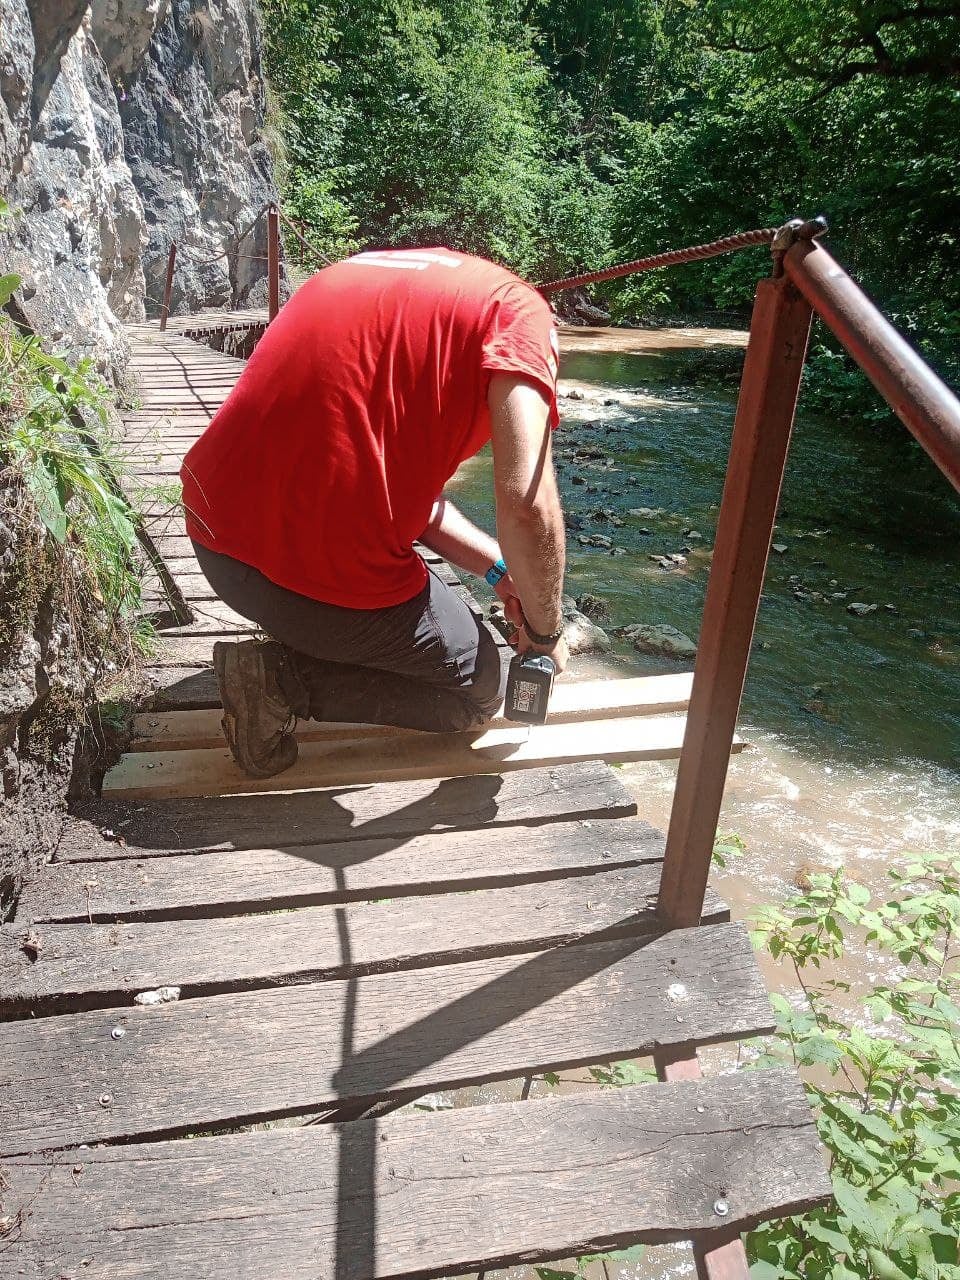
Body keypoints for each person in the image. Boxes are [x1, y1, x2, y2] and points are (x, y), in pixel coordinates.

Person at [180, 246, 569, 778]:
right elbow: (527, 504)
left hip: (213, 545)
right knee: (479, 690)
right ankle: (279, 682)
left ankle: (304, 643)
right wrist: (545, 633)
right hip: (315, 585)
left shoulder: (374, 275)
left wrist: (500, 571)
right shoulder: (524, 319)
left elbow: (415, 500)